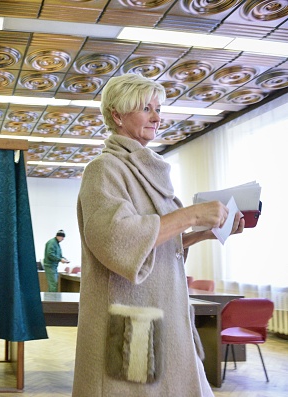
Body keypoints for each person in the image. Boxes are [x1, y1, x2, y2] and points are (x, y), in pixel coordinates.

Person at [73, 73, 244, 396]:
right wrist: (191, 214)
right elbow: (116, 239)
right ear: (117, 115)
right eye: (146, 108)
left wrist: (202, 234)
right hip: (132, 316)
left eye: (158, 108)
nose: (157, 116)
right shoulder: (105, 169)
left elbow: (157, 242)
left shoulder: (149, 170)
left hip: (168, 311)